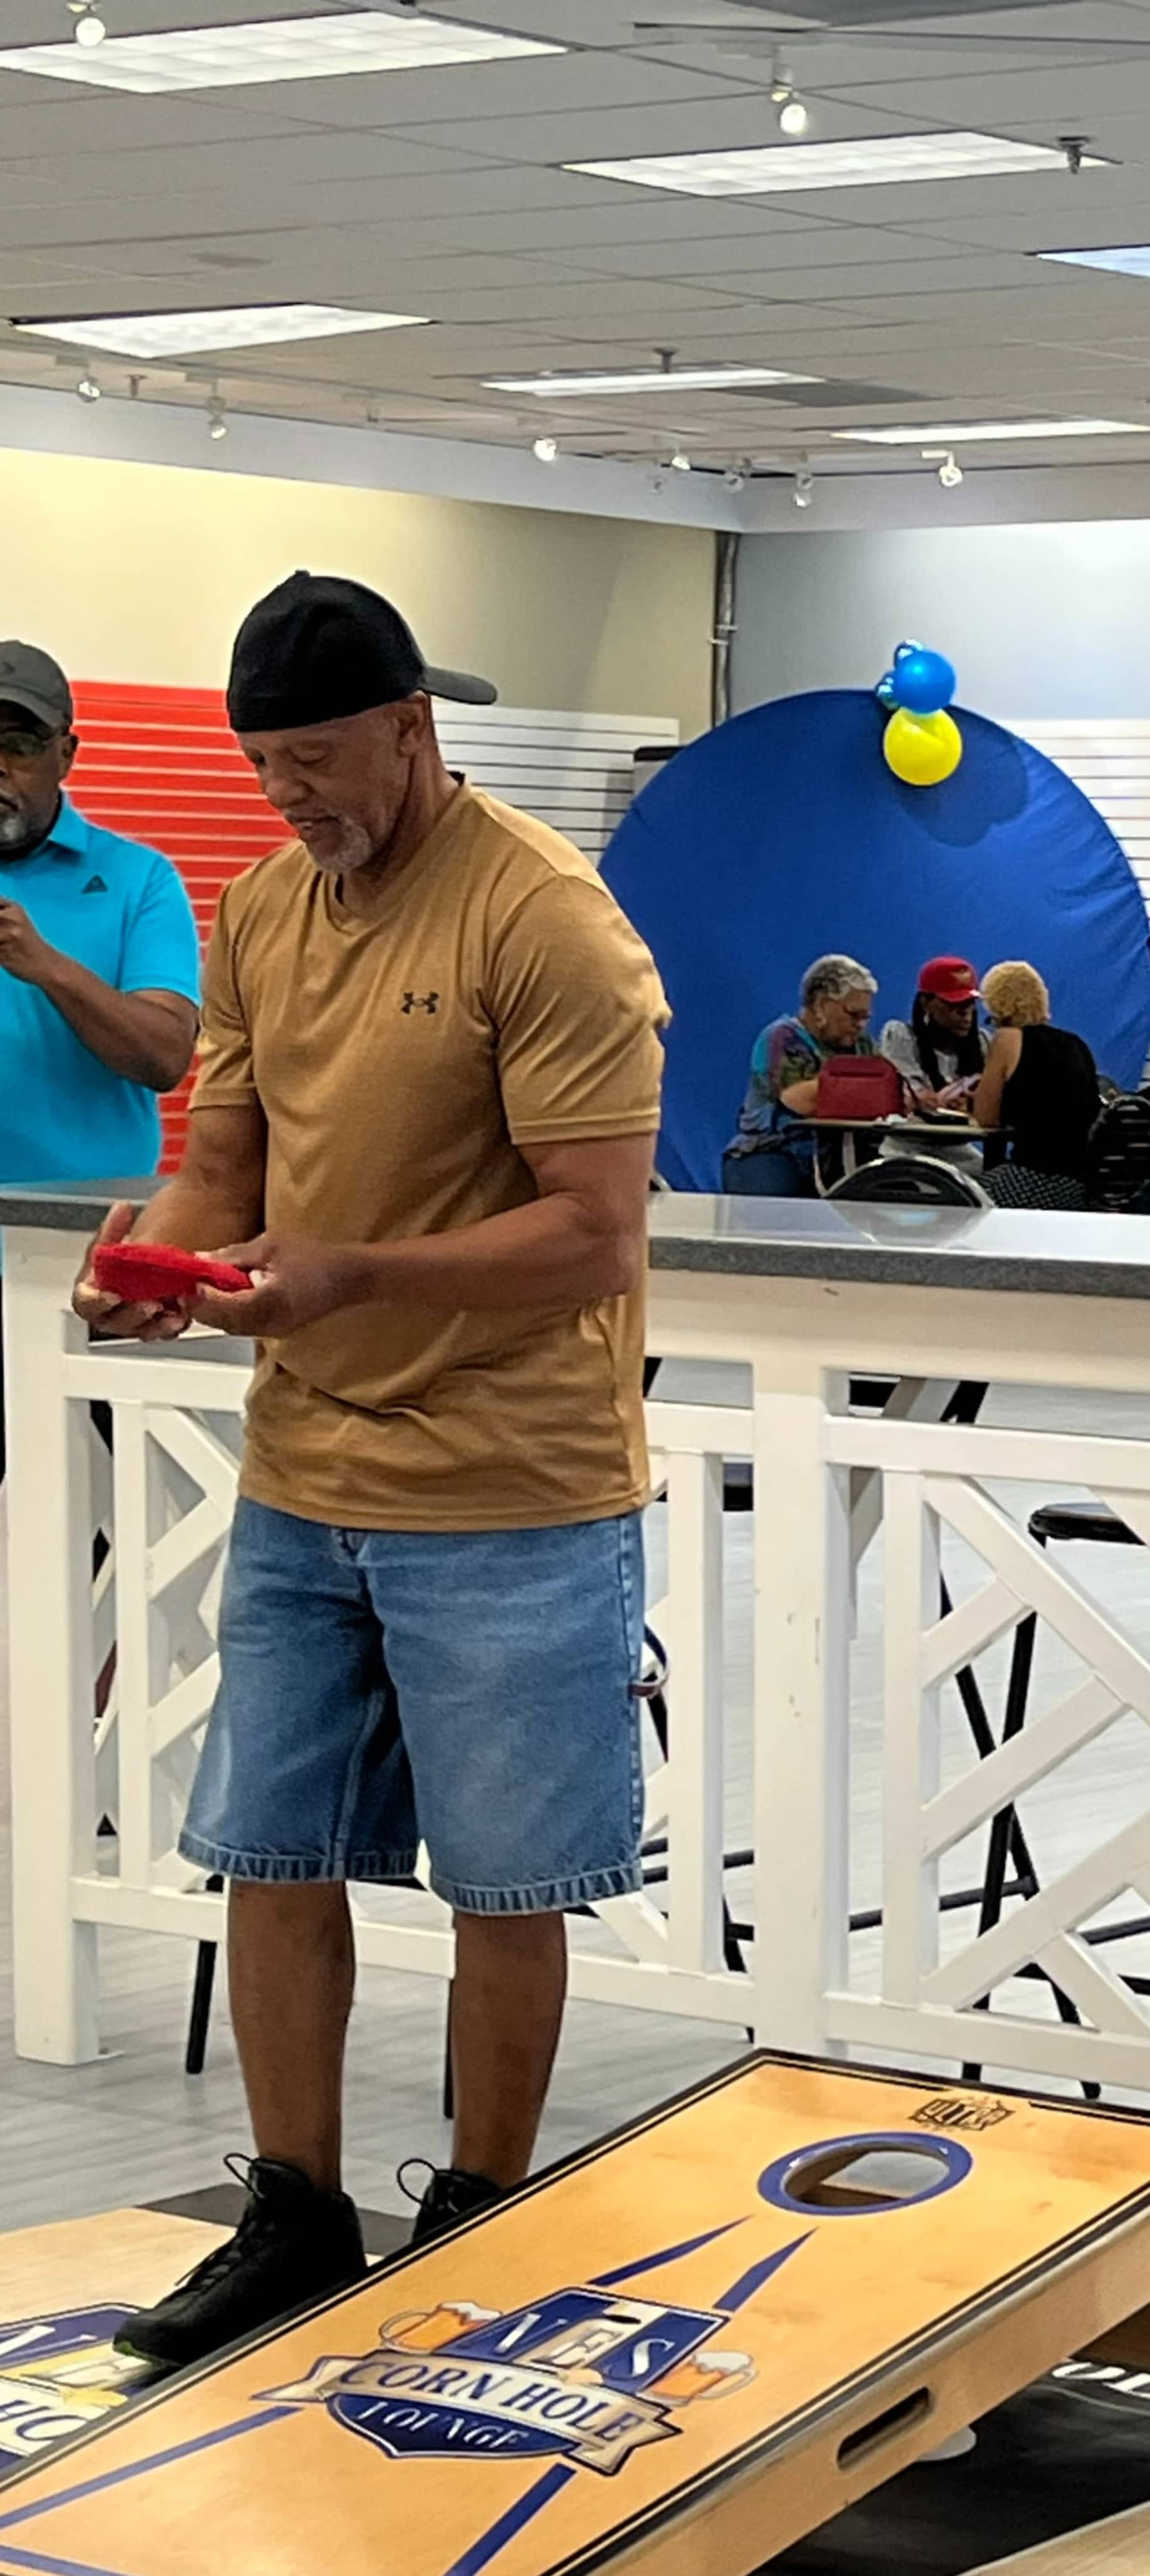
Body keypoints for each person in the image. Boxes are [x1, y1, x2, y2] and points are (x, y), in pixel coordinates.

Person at [73, 571, 667, 2367]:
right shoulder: (261, 909)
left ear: (416, 729)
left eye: (324, 763)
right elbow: (225, 1161)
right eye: (270, 771)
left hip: (513, 1480)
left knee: (505, 1884)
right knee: (272, 1846)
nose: (297, 802)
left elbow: (597, 1236)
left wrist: (353, 1277)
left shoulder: (547, 922)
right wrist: (160, 1254)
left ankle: (480, 2219)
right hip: (303, 1464)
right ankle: (294, 2211)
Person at [0, 639, 201, 1182]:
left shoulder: (141, 880)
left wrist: (46, 966)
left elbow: (165, 1059)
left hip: (80, 1229)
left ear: (66, 754)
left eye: (18, 745)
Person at [723, 953, 876, 1197]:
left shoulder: (863, 1044)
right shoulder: (782, 1037)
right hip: (774, 1151)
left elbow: (887, 1094)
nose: (860, 1025)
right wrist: (868, 1090)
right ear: (820, 1005)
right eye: (853, 1015)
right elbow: (802, 1100)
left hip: (842, 1154)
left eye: (865, 1017)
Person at [974, 959, 1101, 1205]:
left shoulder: (1007, 1039)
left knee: (956, 1196)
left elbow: (986, 1119)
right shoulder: (1076, 1044)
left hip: (1034, 1177)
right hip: (1080, 1185)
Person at [879, 953, 983, 1107]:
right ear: (926, 1004)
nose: (966, 1014)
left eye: (970, 1004)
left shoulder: (983, 1041)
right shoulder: (901, 1036)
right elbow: (910, 1096)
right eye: (953, 1004)